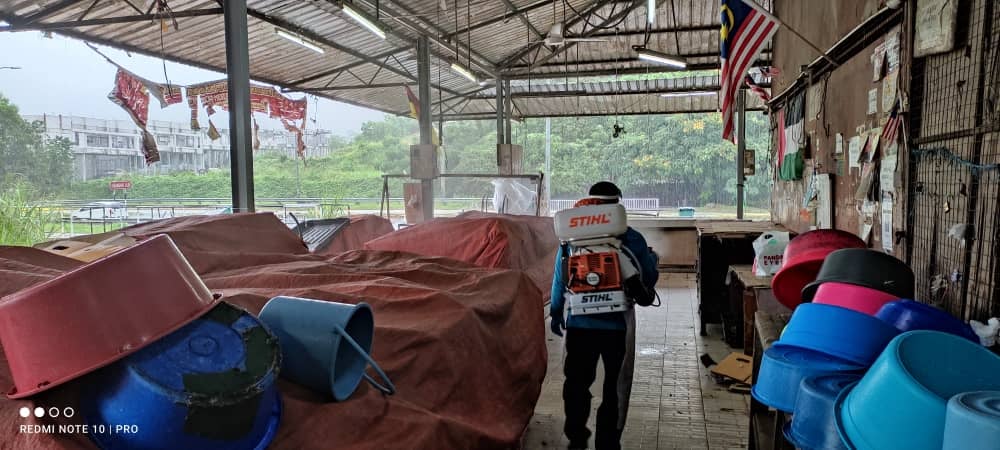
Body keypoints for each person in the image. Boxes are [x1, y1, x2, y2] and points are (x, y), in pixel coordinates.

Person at [550, 181, 659, 450]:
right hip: (616, 327)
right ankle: (608, 442)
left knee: (577, 383)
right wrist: (653, 263)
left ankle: (577, 436)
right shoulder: (631, 238)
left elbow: (559, 278)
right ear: (617, 205)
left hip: (579, 324)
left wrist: (555, 312)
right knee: (615, 387)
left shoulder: (571, 238)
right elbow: (647, 279)